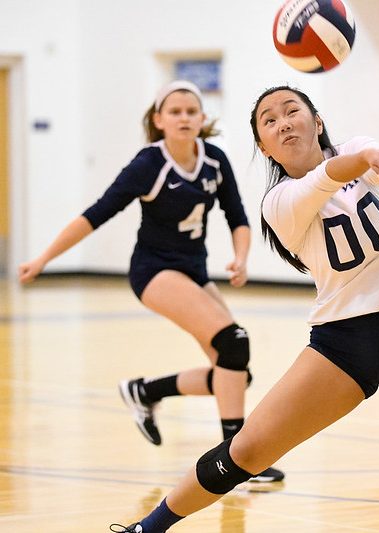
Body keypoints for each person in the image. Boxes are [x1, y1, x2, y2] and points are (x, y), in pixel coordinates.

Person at [109, 85, 379, 533]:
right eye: (269, 120)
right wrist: (366, 161)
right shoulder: (279, 202)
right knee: (246, 452)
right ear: (263, 146)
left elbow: (372, 155)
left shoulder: (358, 151)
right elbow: (328, 175)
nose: (283, 122)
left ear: (317, 122)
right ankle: (147, 529)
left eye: (292, 111)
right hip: (339, 348)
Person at [18, 80, 284, 483]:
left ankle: (146, 391)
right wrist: (42, 259)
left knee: (235, 372)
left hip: (195, 270)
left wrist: (241, 259)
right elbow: (96, 214)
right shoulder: (149, 164)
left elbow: (238, 216)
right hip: (153, 271)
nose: (184, 118)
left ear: (202, 118)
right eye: (174, 111)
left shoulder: (214, 160)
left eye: (191, 111)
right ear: (158, 120)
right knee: (235, 342)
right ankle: (238, 461)